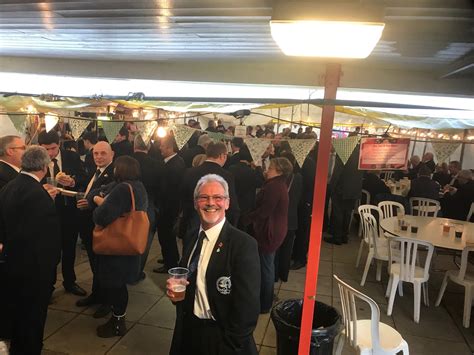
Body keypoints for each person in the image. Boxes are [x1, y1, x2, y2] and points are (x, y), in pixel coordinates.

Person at [167, 174, 260, 355]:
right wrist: (177, 294)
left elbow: (247, 310)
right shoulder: (192, 236)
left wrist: (229, 345)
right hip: (189, 331)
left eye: (218, 197)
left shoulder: (243, 244)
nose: (211, 203)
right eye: (204, 197)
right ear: (195, 203)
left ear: (227, 203)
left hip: (221, 338)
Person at [0, 146, 61, 354]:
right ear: (44, 167)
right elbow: (47, 240)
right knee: (33, 319)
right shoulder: (38, 194)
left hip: (11, 263)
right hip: (34, 270)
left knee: (16, 313)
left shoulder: (9, 187)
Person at [89, 156, 148, 337]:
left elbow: (101, 217)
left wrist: (100, 202)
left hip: (116, 247)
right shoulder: (138, 186)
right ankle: (118, 318)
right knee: (120, 284)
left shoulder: (122, 189)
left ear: (119, 170)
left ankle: (117, 322)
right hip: (130, 244)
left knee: (116, 286)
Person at [38, 130, 87, 297]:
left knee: (69, 248)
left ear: (58, 144)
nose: (50, 153)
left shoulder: (71, 157)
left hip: (69, 210)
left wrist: (72, 181)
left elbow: (83, 177)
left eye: (52, 148)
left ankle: (70, 281)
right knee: (50, 250)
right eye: (45, 149)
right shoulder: (38, 159)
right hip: (47, 211)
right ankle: (48, 286)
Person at [76, 141, 115, 317]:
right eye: (96, 154)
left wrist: (90, 203)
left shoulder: (114, 173)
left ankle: (107, 302)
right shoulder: (97, 170)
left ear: (112, 154)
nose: (98, 157)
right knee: (95, 263)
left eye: (103, 153)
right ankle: (97, 294)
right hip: (89, 226)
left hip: (102, 227)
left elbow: (110, 202)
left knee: (104, 266)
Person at [247, 157, 291, 314]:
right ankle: (266, 298)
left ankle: (264, 304)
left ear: (279, 171)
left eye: (270, 168)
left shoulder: (274, 186)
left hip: (270, 232)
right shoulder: (278, 184)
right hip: (274, 229)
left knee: (265, 267)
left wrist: (247, 218)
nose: (267, 170)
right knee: (267, 264)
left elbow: (264, 211)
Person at [180, 142, 240, 248]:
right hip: (216, 225)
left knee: (190, 256)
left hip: (192, 222)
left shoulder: (189, 173)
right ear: (222, 155)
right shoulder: (227, 176)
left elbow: (182, 200)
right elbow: (232, 206)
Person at [132, 135, 163, 282]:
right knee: (145, 240)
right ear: (149, 147)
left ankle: (126, 270)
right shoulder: (157, 164)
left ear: (134, 145)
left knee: (126, 236)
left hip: (128, 204)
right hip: (149, 205)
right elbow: (162, 189)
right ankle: (137, 272)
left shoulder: (126, 161)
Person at [154, 136, 186, 274]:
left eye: (162, 146)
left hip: (168, 208)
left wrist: (161, 207)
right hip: (171, 207)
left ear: (169, 148)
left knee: (166, 236)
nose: (160, 148)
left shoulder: (173, 165)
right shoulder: (177, 161)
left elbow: (168, 190)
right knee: (167, 237)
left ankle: (170, 262)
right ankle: (169, 257)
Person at [325, 145, 364, 245]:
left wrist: (332, 187)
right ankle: (344, 236)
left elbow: (337, 172)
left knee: (338, 213)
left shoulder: (343, 151)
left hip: (341, 188)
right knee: (347, 213)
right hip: (354, 189)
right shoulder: (361, 153)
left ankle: (337, 237)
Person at [275, 153, 302, 283]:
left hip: (279, 219)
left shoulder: (278, 181)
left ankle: (274, 275)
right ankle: (284, 274)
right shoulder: (298, 178)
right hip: (292, 218)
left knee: (276, 248)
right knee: (287, 248)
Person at [228, 146, 264, 231]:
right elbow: (261, 183)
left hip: (232, 203)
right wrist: (258, 168)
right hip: (247, 206)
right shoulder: (252, 172)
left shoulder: (231, 169)